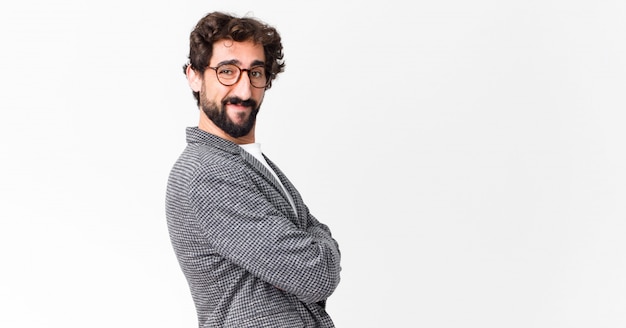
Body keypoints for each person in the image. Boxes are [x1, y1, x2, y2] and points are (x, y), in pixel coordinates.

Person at [165, 11, 342, 328]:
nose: (244, 91)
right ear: (194, 75)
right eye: (227, 71)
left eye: (256, 73)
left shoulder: (248, 161)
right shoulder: (207, 173)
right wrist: (316, 245)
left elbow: (314, 257)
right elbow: (315, 275)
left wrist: (314, 245)